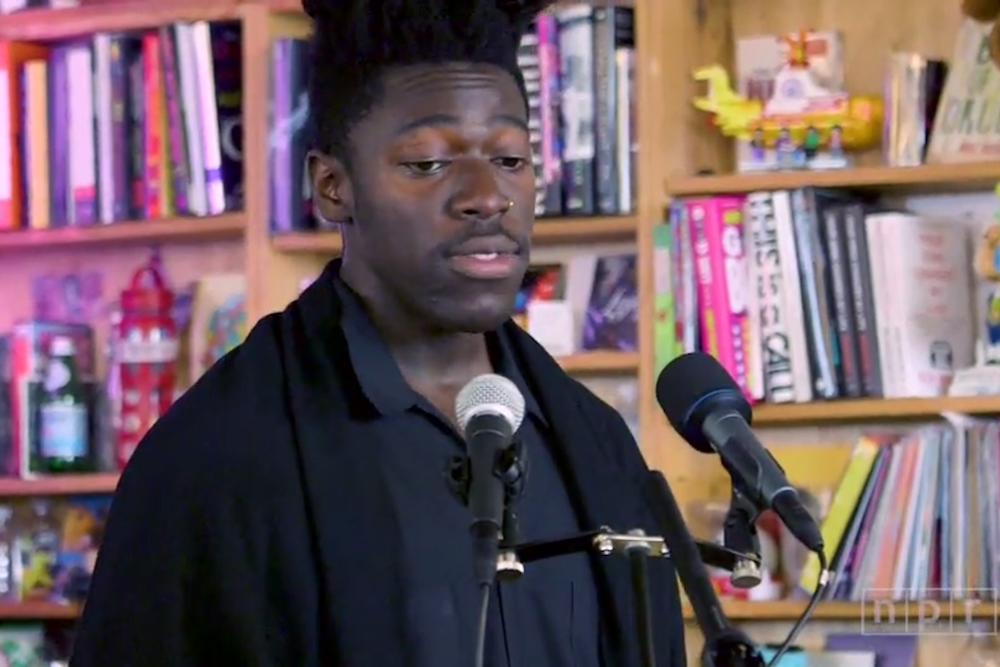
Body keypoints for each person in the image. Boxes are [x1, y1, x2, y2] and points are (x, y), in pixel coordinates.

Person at [70, 0, 686, 664]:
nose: (487, 194)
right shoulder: (214, 462)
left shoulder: (596, 445)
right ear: (334, 187)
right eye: (428, 164)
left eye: (510, 158)